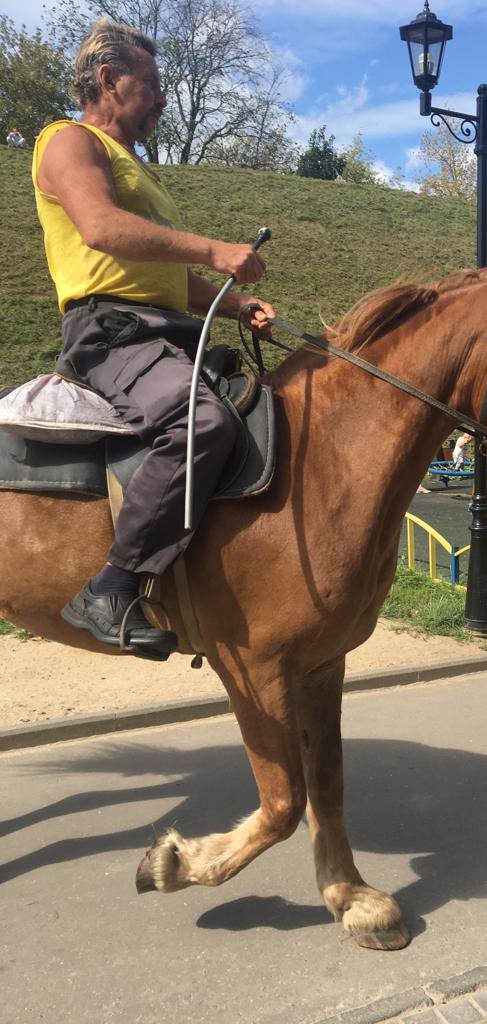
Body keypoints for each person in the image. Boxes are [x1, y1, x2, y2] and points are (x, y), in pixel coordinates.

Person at [32, 17, 274, 660]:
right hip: (111, 331)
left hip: (168, 327)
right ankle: (110, 588)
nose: (163, 97)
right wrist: (215, 249)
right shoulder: (68, 141)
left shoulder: (138, 168)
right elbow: (101, 228)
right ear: (109, 79)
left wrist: (235, 304)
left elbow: (162, 270)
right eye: (153, 83)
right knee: (200, 422)